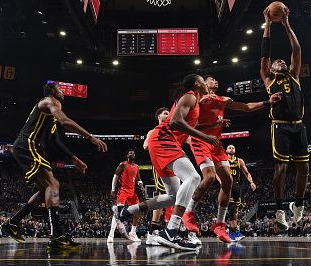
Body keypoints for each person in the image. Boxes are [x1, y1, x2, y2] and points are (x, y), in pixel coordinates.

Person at [114, 74, 218, 250]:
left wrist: (209, 129)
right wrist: (205, 136)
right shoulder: (190, 96)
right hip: (163, 140)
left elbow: (185, 129)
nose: (208, 83)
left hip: (161, 142)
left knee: (172, 196)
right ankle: (171, 231)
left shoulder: (195, 103)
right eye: (203, 79)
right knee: (193, 178)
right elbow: (176, 122)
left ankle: (126, 211)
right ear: (197, 84)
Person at [1, 81, 107, 251]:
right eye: (60, 89)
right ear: (52, 91)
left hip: (32, 147)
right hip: (28, 144)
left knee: (46, 191)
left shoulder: (50, 112)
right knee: (53, 184)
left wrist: (74, 158)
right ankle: (56, 236)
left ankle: (12, 223)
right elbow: (65, 121)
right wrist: (90, 137)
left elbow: (55, 140)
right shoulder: (51, 101)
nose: (63, 92)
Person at [183, 75, 281, 243]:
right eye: (212, 79)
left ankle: (220, 224)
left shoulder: (223, 99)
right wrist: (213, 125)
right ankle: (188, 212)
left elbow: (246, 107)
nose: (216, 81)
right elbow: (188, 124)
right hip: (200, 141)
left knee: (228, 180)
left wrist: (267, 102)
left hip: (216, 144)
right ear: (203, 84)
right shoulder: (196, 99)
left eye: (216, 80)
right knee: (210, 177)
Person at [259, 4, 309, 231]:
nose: (279, 62)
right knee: (281, 169)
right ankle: (279, 209)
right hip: (279, 127)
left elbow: (296, 49)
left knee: (304, 169)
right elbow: (264, 54)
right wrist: (268, 25)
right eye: (276, 62)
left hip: (299, 127)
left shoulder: (295, 75)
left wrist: (287, 24)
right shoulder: (269, 80)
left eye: (282, 61)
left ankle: (298, 204)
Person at [143, 107, 173, 246]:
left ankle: (160, 230)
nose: (168, 115)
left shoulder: (172, 129)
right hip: (160, 164)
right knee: (163, 196)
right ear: (159, 116)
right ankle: (153, 231)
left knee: (173, 197)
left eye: (169, 113)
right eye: (165, 113)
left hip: (173, 164)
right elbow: (145, 146)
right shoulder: (153, 131)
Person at [107, 149, 144, 243]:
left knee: (138, 210)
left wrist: (141, 186)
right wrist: (113, 189)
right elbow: (115, 176)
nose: (133, 154)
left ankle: (133, 232)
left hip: (132, 192)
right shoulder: (122, 165)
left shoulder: (136, 166)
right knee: (118, 214)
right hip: (123, 191)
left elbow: (138, 179)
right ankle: (111, 235)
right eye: (131, 153)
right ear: (127, 155)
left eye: (134, 153)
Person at [224, 144, 257, 241]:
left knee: (235, 210)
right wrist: (221, 181)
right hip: (228, 185)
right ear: (226, 150)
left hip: (237, 186)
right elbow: (218, 172)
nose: (231, 148)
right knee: (231, 209)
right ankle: (233, 231)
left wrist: (251, 182)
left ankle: (233, 231)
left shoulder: (239, 161)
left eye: (233, 147)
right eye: (229, 147)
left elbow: (246, 173)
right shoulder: (224, 160)